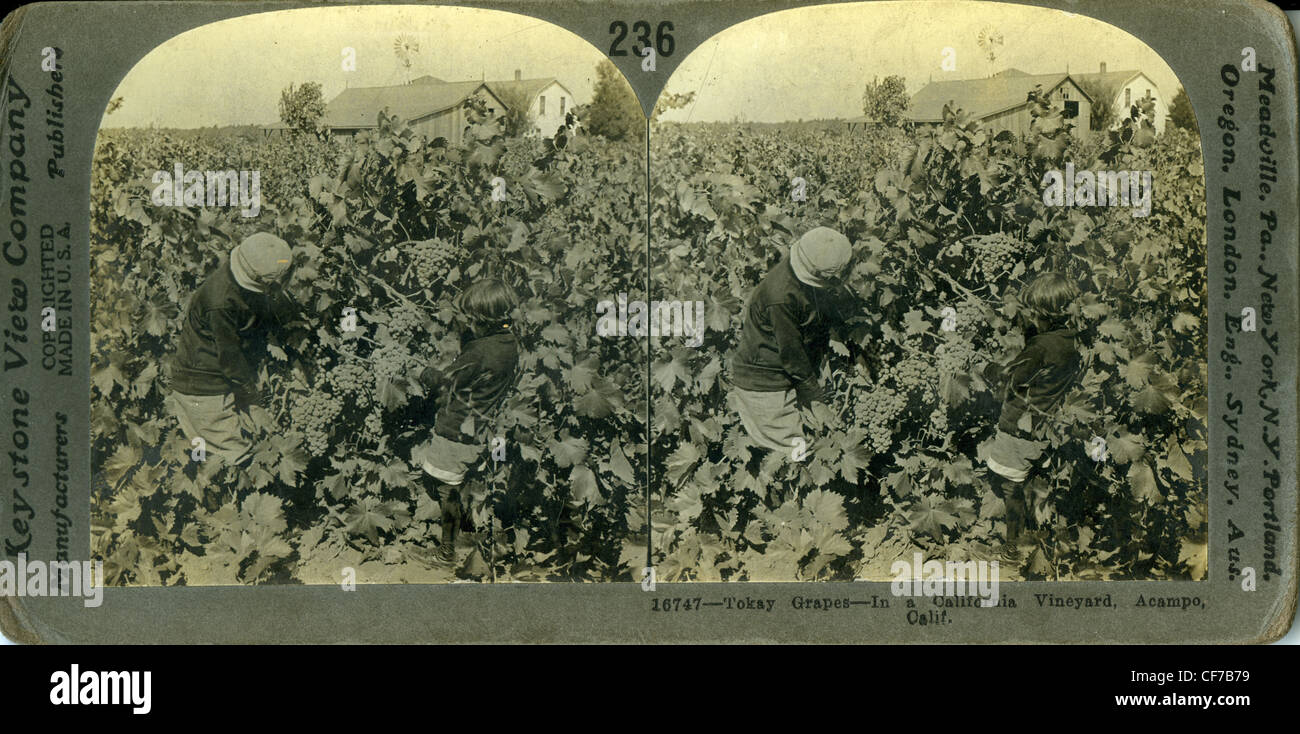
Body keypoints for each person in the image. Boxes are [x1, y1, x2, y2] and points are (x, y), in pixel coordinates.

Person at [411, 278, 520, 563]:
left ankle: (447, 552)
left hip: (455, 429)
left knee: (445, 488)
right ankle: (470, 536)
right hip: (479, 428)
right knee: (462, 482)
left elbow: (447, 383)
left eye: (472, 318)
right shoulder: (509, 343)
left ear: (485, 319)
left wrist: (424, 373)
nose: (468, 323)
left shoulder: (479, 351)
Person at [168, 232, 298, 466]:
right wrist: (253, 401)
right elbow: (231, 359)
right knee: (236, 460)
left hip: (215, 380)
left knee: (215, 456)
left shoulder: (238, 275)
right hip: (203, 390)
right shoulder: (220, 303)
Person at [980, 272, 1084, 559]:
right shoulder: (1071, 341)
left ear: (1046, 314)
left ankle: (1013, 550)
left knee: (1011, 488)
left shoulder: (1040, 348)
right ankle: (1042, 541)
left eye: (1034, 313)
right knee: (1032, 484)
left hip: (1019, 429)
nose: (1030, 318)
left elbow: (1005, 379)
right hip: (1043, 427)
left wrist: (983, 367)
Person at [728, 226, 858, 455]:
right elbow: (792, 354)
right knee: (796, 455)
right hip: (765, 385)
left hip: (790, 375)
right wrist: (817, 401)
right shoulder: (780, 297)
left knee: (811, 445)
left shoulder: (808, 266)